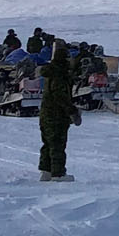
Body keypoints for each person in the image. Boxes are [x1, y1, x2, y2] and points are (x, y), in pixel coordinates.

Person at [37, 43, 80, 181]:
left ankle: (46, 170)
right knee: (57, 143)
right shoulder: (59, 74)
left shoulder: (52, 72)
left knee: (48, 142)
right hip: (56, 114)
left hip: (46, 113)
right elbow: (60, 95)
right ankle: (58, 173)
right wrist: (71, 111)